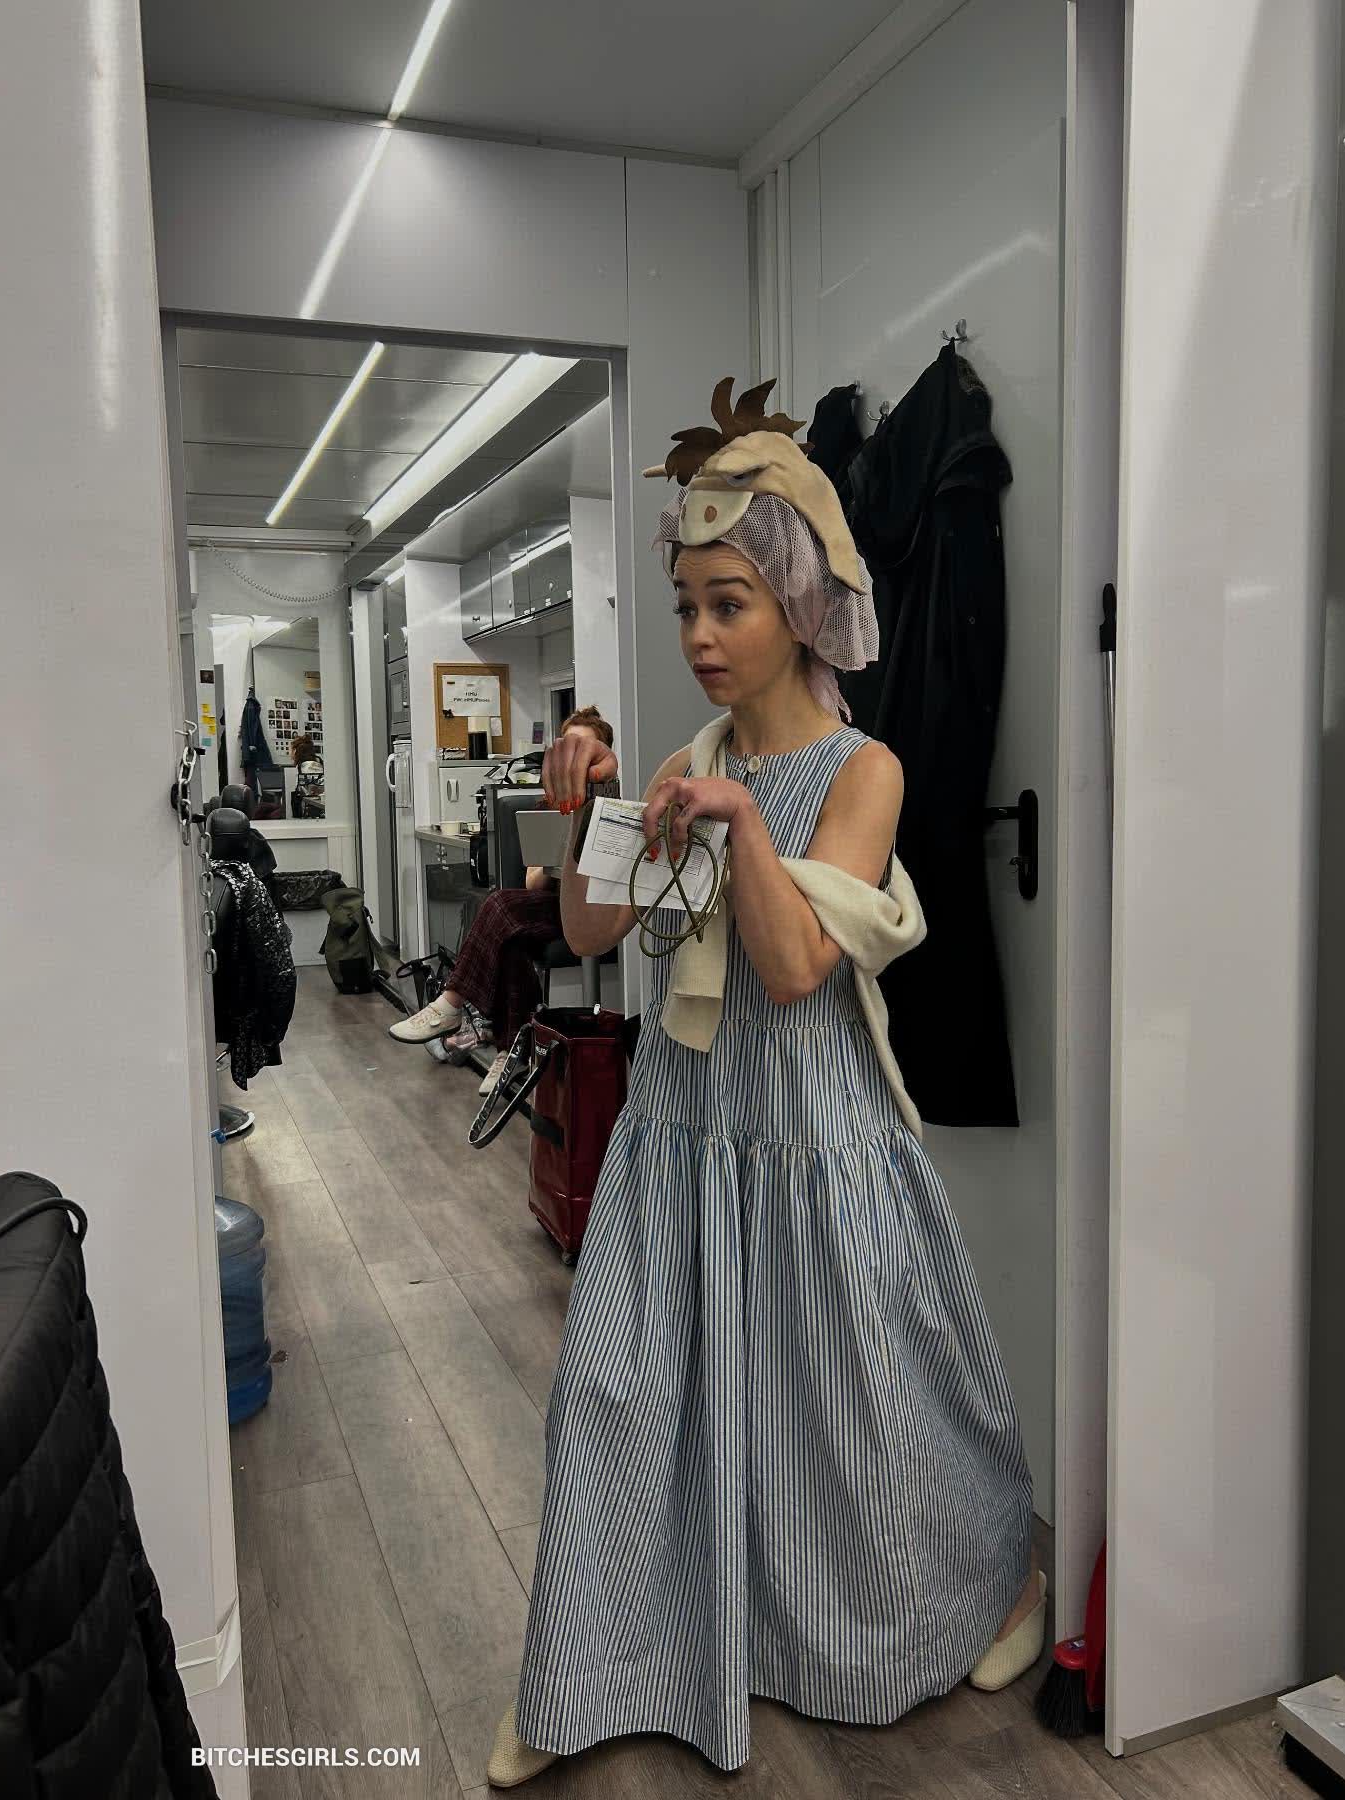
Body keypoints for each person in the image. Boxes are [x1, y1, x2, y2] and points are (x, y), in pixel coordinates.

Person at [486, 380, 1041, 1789]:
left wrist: (735, 821)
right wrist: (589, 807)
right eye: (686, 606)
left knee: (861, 1429)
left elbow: (795, 970)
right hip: (683, 1137)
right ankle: (579, 1674)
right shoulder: (691, 764)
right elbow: (595, 933)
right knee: (617, 1401)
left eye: (726, 603)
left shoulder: (866, 773)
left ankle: (998, 1589)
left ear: (798, 600)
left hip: (811, 1143)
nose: (698, 636)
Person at [389, 708, 615, 1095]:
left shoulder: (612, 808)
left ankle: (459, 1011)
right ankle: (510, 1051)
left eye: (585, 749)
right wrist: (558, 857)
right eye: (569, 747)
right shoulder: (549, 807)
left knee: (499, 909)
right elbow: (532, 883)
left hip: (593, 908)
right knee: (509, 934)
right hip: (552, 905)